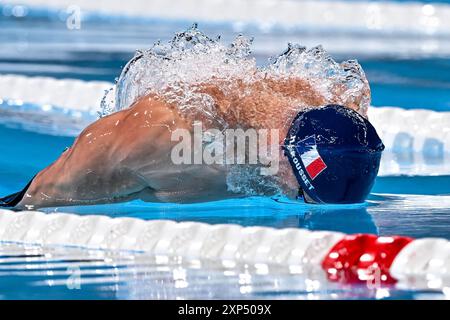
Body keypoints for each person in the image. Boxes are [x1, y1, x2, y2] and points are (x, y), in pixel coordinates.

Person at [0, 75, 384, 210]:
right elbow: (43, 193)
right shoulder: (168, 142)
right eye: (301, 195)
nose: (295, 199)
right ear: (286, 161)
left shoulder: (326, 115)